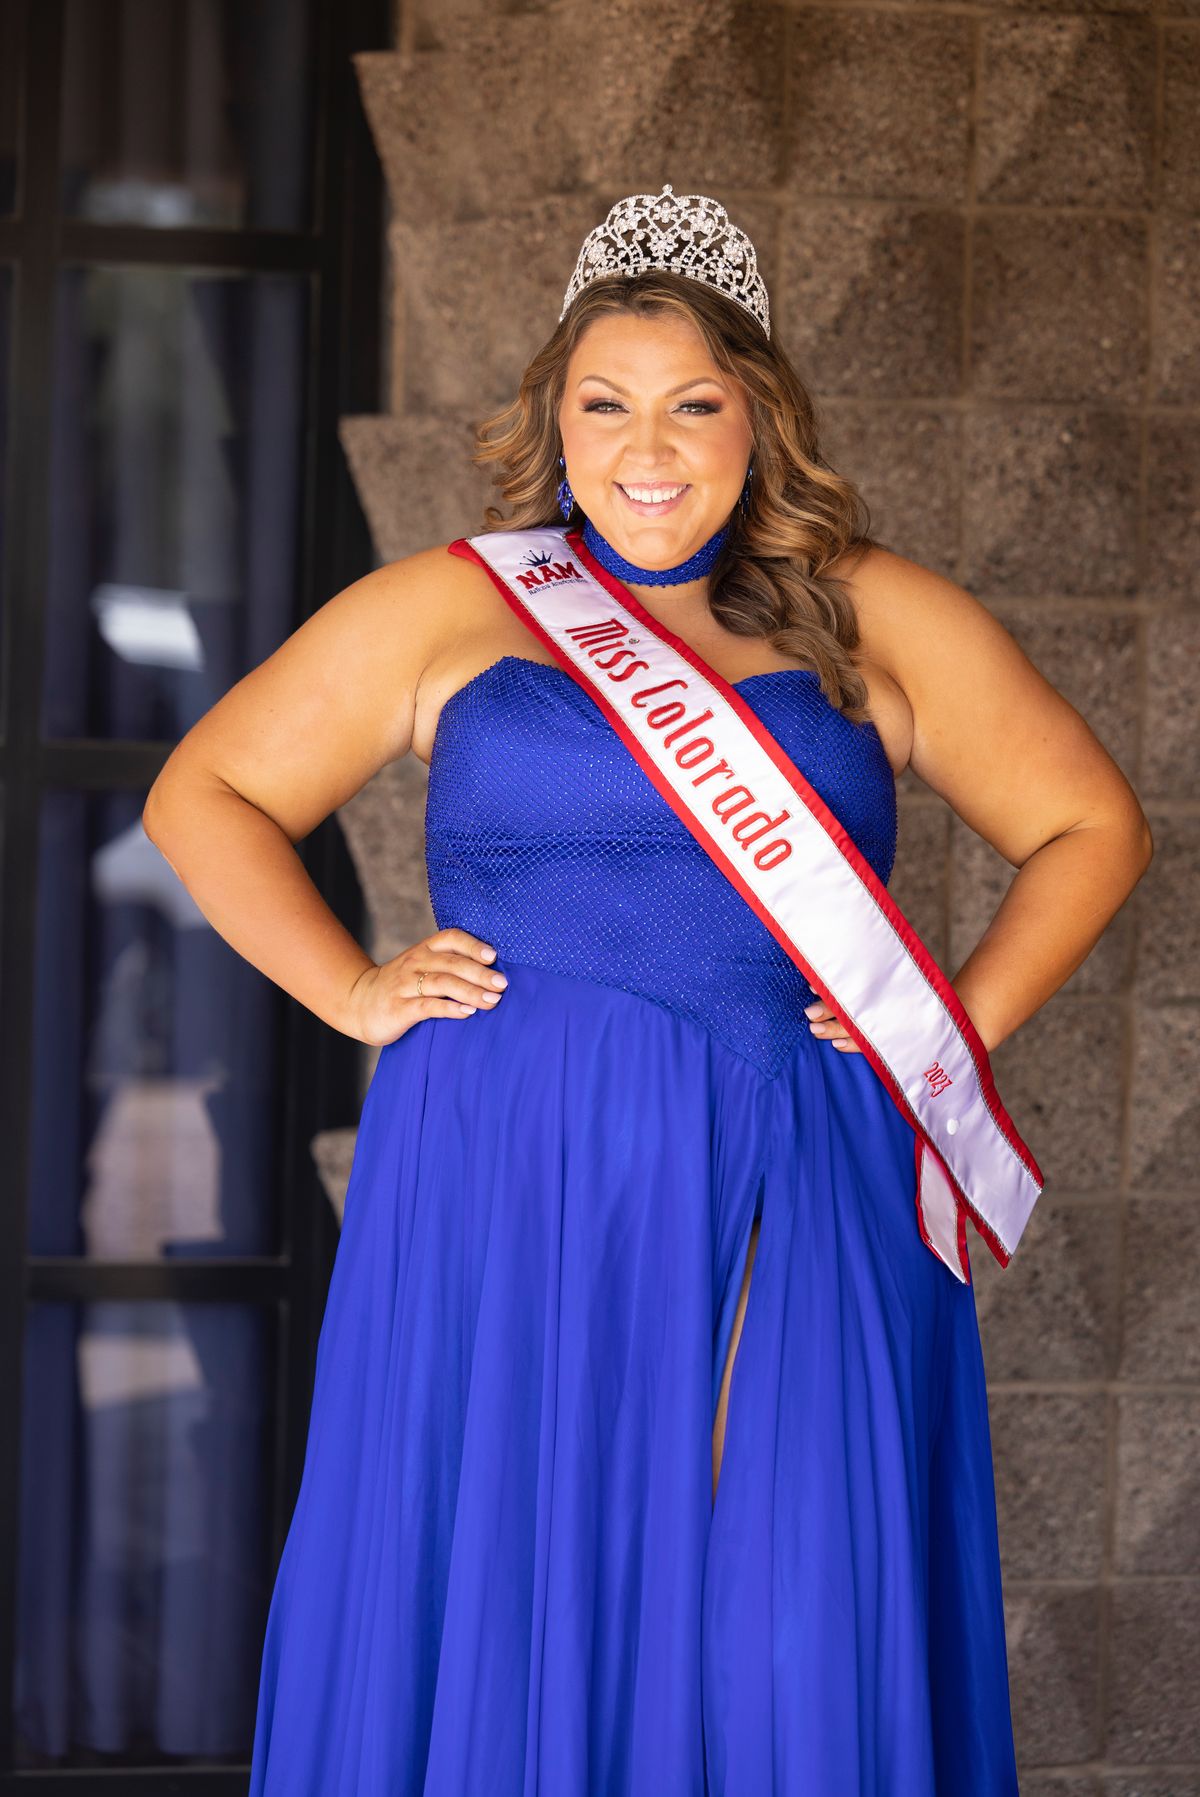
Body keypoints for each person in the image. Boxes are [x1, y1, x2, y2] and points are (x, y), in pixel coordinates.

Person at [143, 185, 1153, 1794]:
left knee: (780, 1608)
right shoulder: (455, 607)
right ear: (555, 415)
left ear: (760, 417)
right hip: (507, 1174)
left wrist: (953, 1020)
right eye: (605, 403)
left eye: (694, 404)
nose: (649, 447)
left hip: (802, 1174)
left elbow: (1093, 824)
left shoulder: (870, 615)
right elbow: (205, 791)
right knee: (521, 1578)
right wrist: (346, 988)